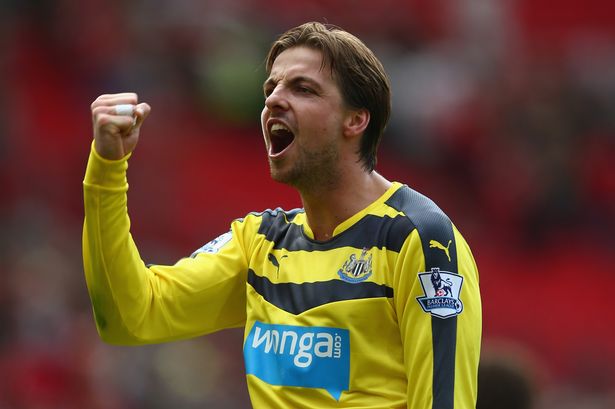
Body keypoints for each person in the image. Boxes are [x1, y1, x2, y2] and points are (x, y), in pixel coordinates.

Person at [83, 22, 482, 409]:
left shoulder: (418, 238)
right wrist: (106, 169)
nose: (273, 99)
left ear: (356, 120)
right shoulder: (261, 243)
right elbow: (130, 317)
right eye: (270, 87)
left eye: (303, 89)